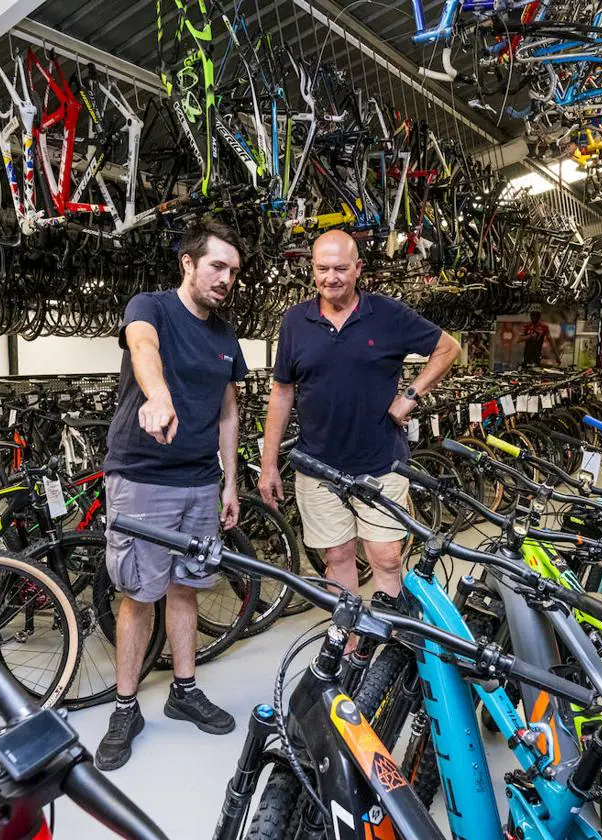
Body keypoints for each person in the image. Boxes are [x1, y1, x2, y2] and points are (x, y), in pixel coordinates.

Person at [96, 220, 247, 771]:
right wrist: (158, 397)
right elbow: (143, 350)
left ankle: (184, 691)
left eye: (233, 271)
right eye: (216, 267)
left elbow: (229, 411)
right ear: (188, 263)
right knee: (138, 594)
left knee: (188, 586)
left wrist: (230, 481)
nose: (226, 278)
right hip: (142, 475)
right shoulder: (151, 307)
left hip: (201, 481)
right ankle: (125, 706)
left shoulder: (225, 335)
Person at [258, 229, 460, 600]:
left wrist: (410, 397)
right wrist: (269, 463)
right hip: (317, 467)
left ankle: (393, 647)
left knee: (385, 558)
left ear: (358, 269)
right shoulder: (295, 322)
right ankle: (350, 647)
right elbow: (282, 392)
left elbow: (448, 348)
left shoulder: (387, 313)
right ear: (312, 270)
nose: (331, 278)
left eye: (340, 268)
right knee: (336, 558)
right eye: (322, 269)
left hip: (380, 463)